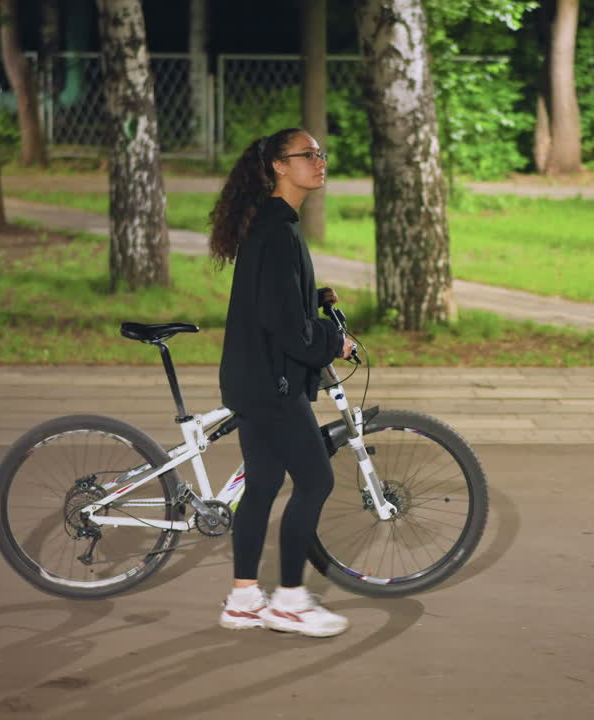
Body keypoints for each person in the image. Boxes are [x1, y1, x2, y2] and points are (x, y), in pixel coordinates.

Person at [208, 127, 355, 638]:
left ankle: (245, 599)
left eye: (321, 154)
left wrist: (312, 298)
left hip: (253, 379)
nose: (319, 162)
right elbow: (277, 319)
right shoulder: (276, 228)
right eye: (306, 155)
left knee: (266, 484)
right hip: (270, 384)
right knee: (316, 480)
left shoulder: (273, 224)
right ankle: (290, 601)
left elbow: (275, 298)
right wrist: (329, 343)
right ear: (277, 165)